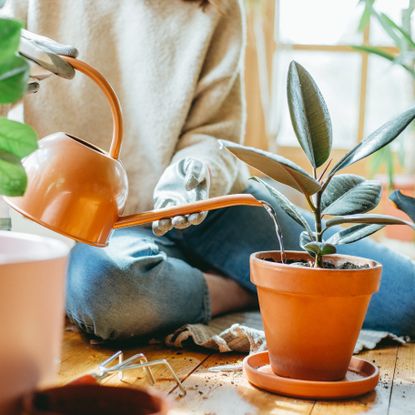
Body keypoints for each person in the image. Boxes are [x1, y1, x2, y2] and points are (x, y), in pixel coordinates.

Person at [2, 0, 414, 341]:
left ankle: (225, 279)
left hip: (211, 212)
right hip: (106, 227)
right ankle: (238, 289)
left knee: (405, 299)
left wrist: (192, 175)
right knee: (107, 293)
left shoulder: (214, 8)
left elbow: (215, 133)